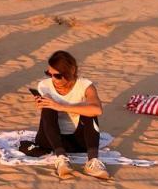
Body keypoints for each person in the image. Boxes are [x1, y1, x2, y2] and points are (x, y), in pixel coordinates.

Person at [19, 50, 110, 179]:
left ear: (71, 72)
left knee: (89, 110)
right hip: (50, 140)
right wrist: (45, 104)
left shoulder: (85, 85)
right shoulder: (45, 86)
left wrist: (61, 106)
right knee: (48, 107)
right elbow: (48, 111)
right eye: (49, 74)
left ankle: (92, 162)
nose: (53, 79)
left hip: (79, 142)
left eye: (57, 76)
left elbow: (98, 110)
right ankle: (61, 159)